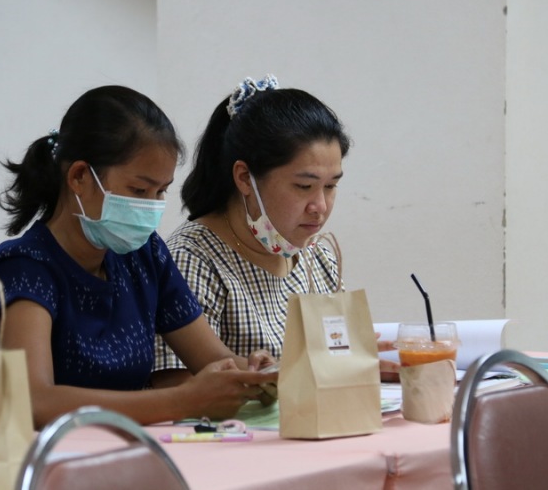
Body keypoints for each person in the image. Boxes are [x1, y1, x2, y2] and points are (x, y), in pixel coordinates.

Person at [0, 85, 277, 430]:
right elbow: (34, 402)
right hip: (53, 456)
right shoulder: (24, 269)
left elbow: (214, 360)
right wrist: (182, 400)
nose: (151, 206)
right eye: (138, 190)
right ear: (79, 177)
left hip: (127, 447)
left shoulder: (144, 254)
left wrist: (257, 373)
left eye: (161, 191)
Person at [151, 75, 399, 387]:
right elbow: (177, 386)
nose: (320, 206)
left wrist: (357, 363)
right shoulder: (191, 260)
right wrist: (313, 371)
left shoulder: (317, 257)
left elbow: (338, 359)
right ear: (245, 178)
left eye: (331, 186)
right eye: (304, 186)